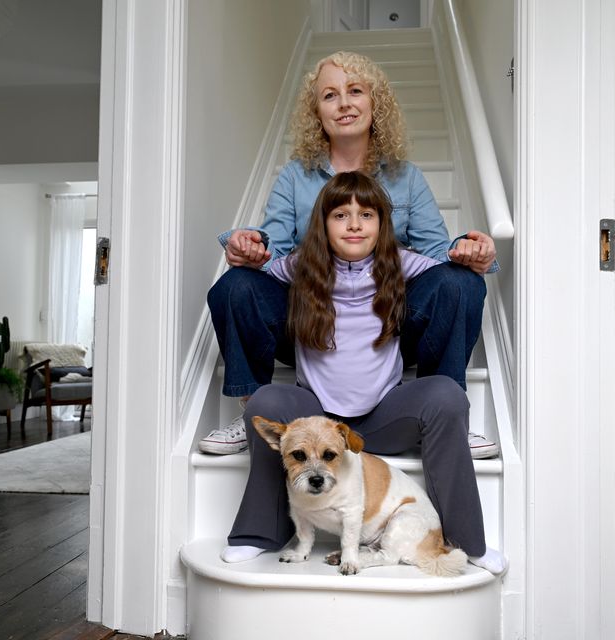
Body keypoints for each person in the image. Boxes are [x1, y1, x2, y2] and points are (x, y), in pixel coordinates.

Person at [202, 51, 499, 458]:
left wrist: (471, 253)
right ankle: (254, 410)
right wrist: (250, 250)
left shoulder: (406, 177)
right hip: (312, 324)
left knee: (461, 282)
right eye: (330, 95)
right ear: (317, 113)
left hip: (383, 324)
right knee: (236, 285)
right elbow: (274, 256)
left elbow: (436, 256)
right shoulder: (294, 176)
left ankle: (443, 414)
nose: (344, 103)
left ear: (374, 104)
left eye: (355, 91)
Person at [220, 171, 506, 575]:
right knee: (264, 393)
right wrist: (241, 249)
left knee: (446, 394)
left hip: (383, 415)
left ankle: (466, 540)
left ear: (382, 224)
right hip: (316, 412)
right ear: (322, 224)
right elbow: (250, 278)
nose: (354, 224)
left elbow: (455, 267)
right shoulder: (300, 266)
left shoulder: (401, 263)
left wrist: (480, 258)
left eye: (366, 214)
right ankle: (258, 532)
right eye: (340, 215)